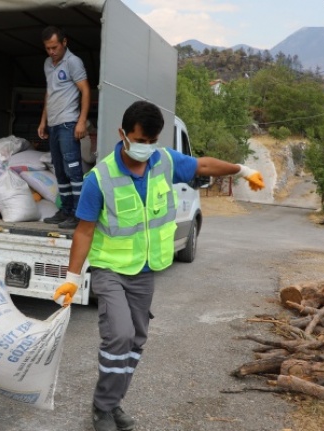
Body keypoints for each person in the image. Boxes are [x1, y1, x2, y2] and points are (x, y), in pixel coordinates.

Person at [52, 100, 265, 431]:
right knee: (119, 335)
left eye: (152, 142)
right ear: (123, 134)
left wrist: (242, 169)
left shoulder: (163, 161)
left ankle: (112, 402)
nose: (146, 149)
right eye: (140, 141)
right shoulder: (100, 177)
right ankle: (103, 408)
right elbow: (84, 231)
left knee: (136, 340)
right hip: (110, 270)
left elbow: (202, 166)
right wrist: (72, 277)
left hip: (144, 271)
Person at [38, 25, 91, 230]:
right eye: (48, 48)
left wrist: (81, 121)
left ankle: (78, 214)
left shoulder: (73, 62)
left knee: (73, 170)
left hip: (69, 123)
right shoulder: (47, 64)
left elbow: (85, 90)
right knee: (60, 170)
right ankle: (66, 211)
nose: (51, 52)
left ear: (64, 43)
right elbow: (49, 93)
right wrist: (43, 121)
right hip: (53, 124)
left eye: (54, 47)